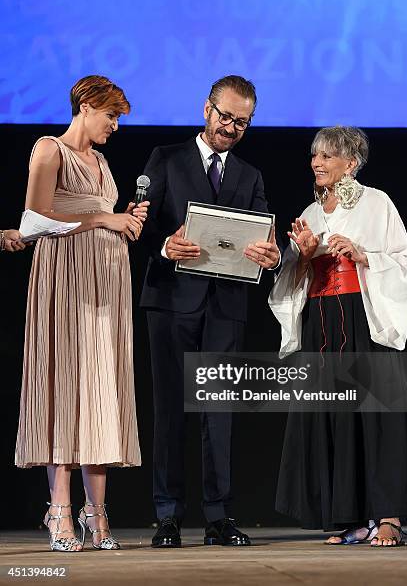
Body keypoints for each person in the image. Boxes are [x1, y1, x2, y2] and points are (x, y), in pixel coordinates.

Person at [141, 75, 280, 547]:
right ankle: (167, 517)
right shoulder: (166, 159)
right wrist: (164, 245)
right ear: (206, 108)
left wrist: (271, 255)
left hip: (225, 307)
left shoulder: (250, 175)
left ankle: (219, 518)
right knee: (170, 411)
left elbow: (265, 238)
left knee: (218, 412)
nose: (231, 127)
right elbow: (137, 226)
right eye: (226, 116)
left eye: (243, 122)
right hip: (171, 302)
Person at [269, 126, 407, 547]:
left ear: (350, 163)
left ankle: (388, 517)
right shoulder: (312, 212)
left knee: (375, 416)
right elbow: (294, 277)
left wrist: (362, 254)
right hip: (321, 318)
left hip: (361, 317)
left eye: (326, 156)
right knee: (334, 415)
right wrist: (300, 255)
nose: (316, 162)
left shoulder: (376, 203)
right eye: (314, 155)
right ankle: (351, 515)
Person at [15, 75, 149, 552]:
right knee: (65, 385)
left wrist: (124, 219)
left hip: (107, 281)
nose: (115, 125)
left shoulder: (103, 160)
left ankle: (98, 514)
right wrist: (102, 219)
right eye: (111, 115)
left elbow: (98, 212)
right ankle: (59, 512)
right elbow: (34, 221)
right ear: (86, 105)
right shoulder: (49, 149)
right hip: (66, 279)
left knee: (100, 388)